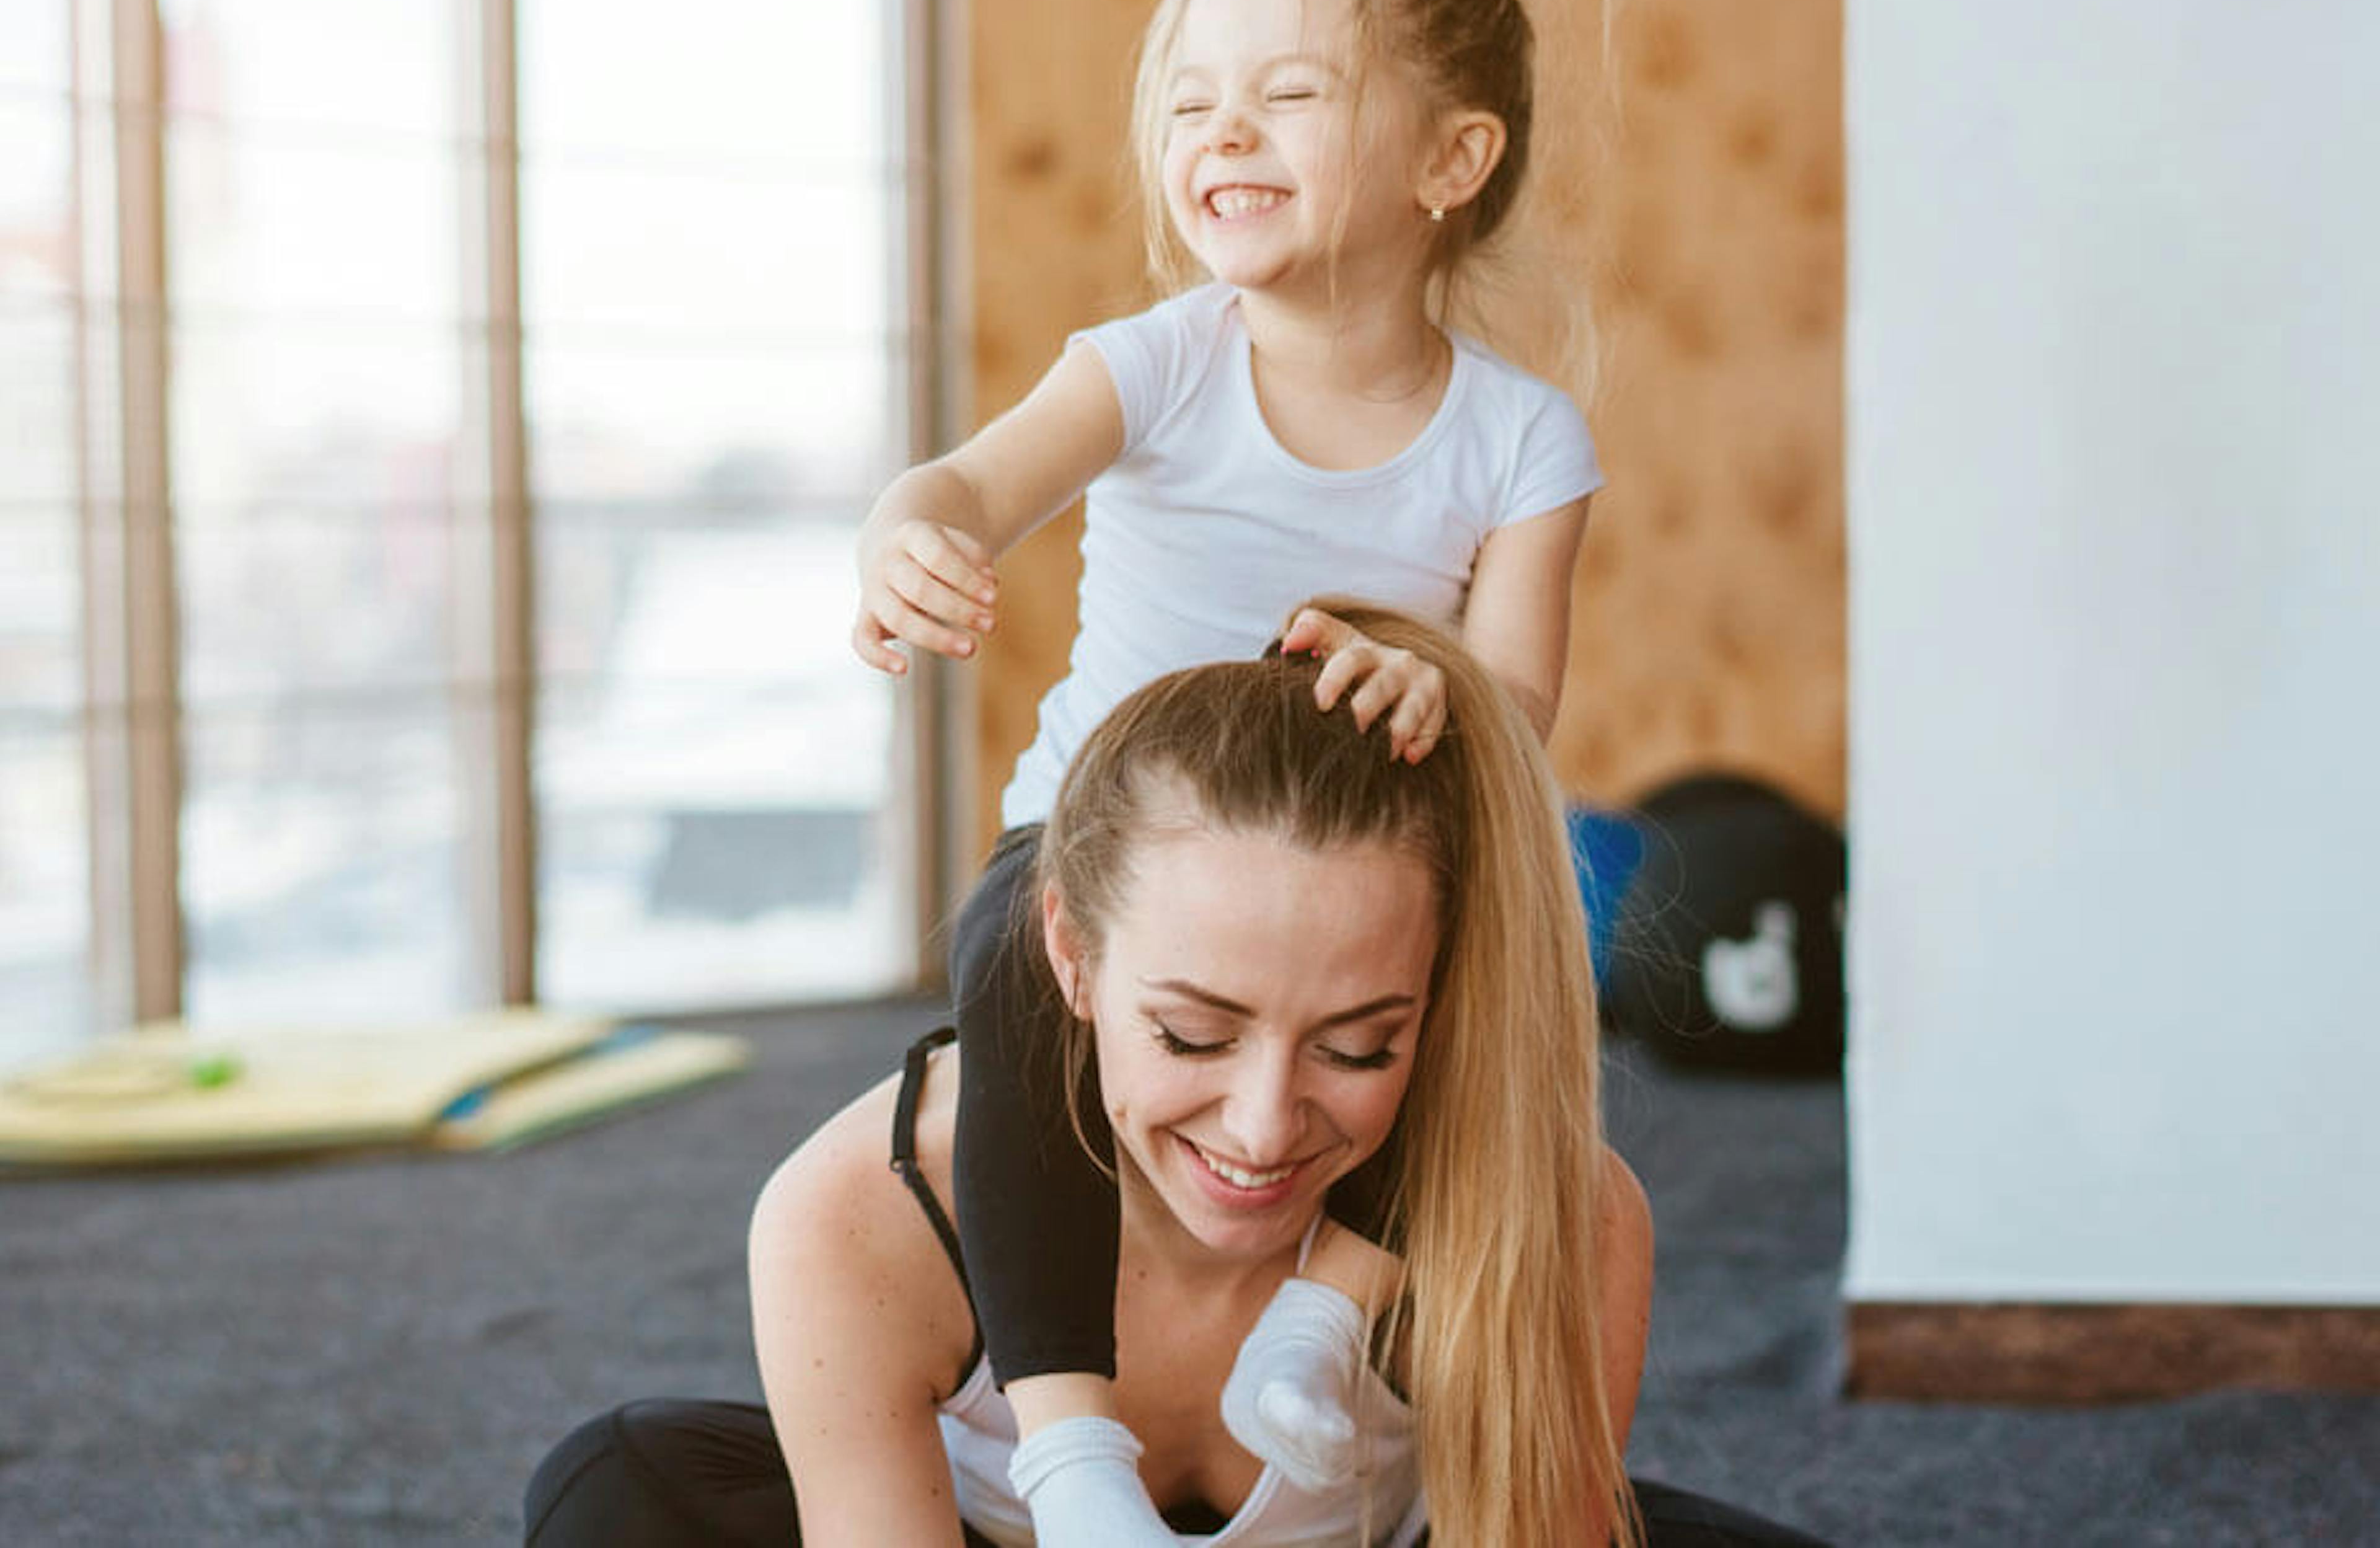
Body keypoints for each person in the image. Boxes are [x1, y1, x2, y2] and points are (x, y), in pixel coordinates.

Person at [525, 606, 1831, 1546]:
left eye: (1358, 1042)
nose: (1264, 1126)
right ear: (1071, 955)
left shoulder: (1565, 1210)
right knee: (625, 1490)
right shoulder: (857, 1214)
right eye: (1196, 1035)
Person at [850, 0, 1603, 1474]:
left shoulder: (1523, 436)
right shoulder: (1158, 363)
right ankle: (1072, 1451)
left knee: (1485, 970)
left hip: (1360, 880)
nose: (1225, 132)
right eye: (1194, 102)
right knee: (1007, 959)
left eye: (1292, 94)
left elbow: (1517, 702)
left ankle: (1325, 1322)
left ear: (1453, 161)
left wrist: (1442, 685)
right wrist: (907, 534)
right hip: (1105, 850)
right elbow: (967, 487)